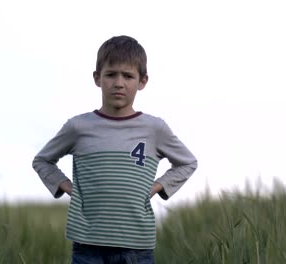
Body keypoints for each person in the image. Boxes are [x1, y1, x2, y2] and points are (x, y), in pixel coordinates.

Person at [32, 35, 198, 264]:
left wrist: (157, 187)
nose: (119, 83)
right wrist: (68, 187)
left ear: (142, 81)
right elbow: (42, 160)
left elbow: (188, 162)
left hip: (136, 247)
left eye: (128, 76)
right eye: (111, 74)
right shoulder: (78, 127)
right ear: (97, 78)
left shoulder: (154, 128)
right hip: (87, 245)